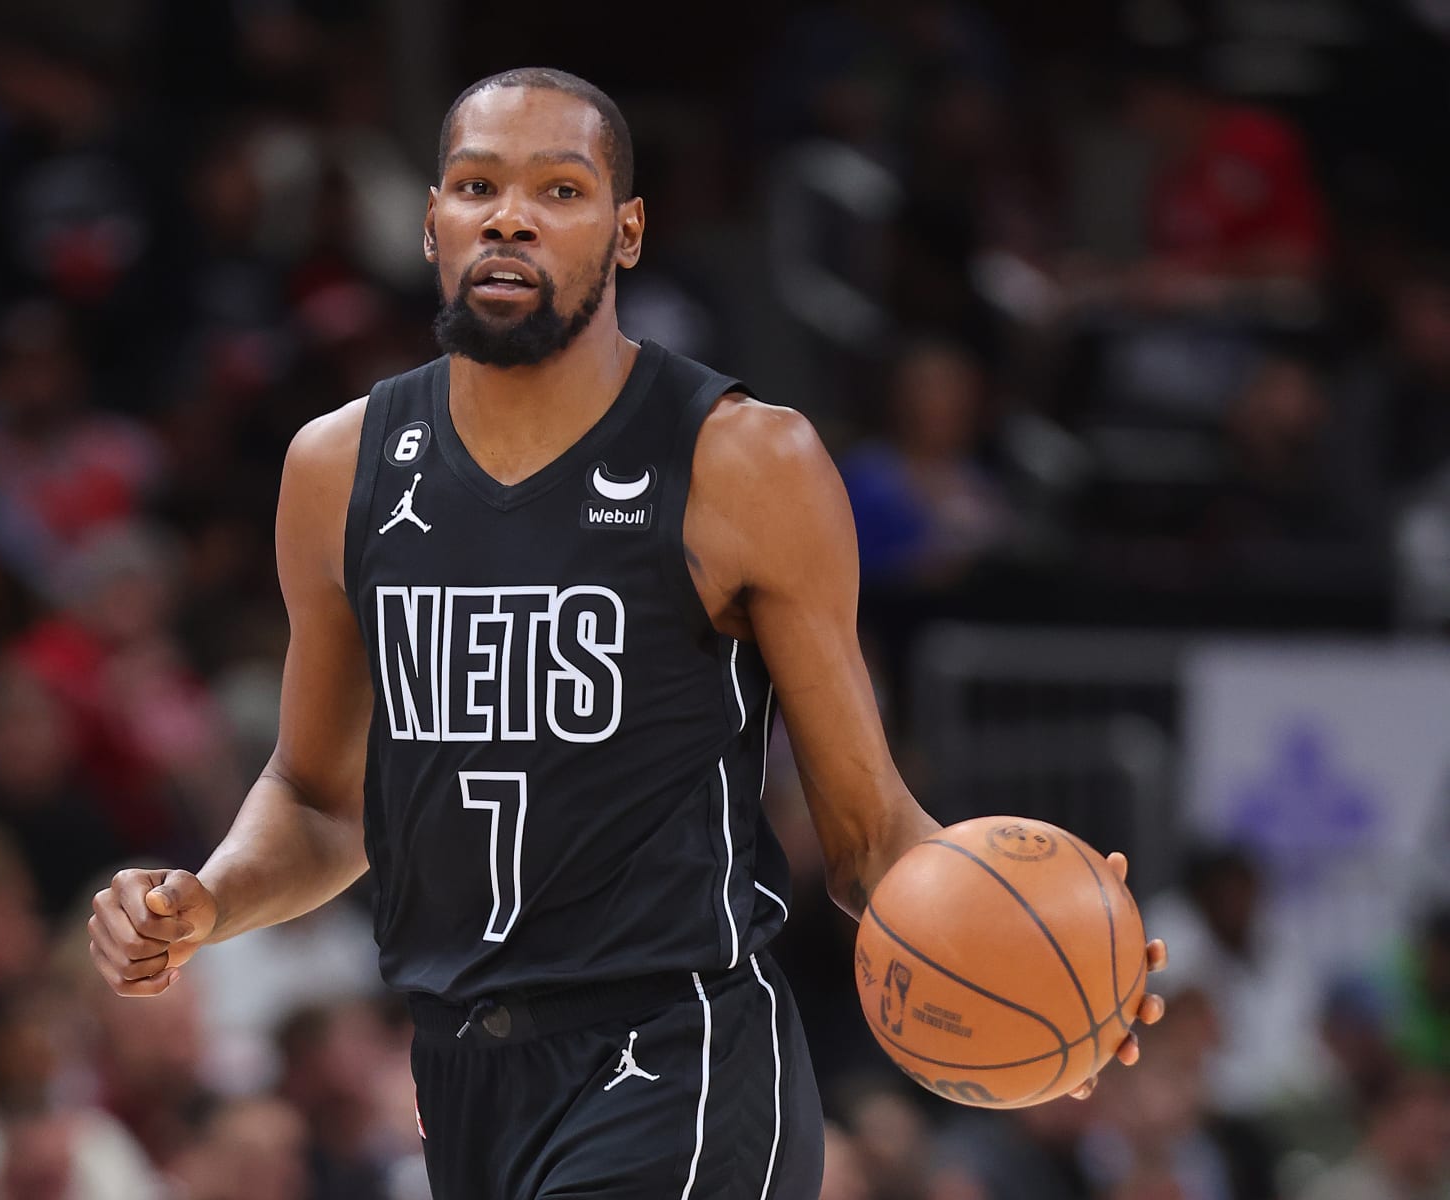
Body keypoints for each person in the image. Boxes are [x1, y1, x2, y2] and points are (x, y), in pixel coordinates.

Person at [89, 67, 1168, 1199]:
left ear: (628, 231)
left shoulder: (747, 462)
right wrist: (205, 902)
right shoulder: (336, 469)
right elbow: (319, 803)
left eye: (560, 189)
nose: (509, 214)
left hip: (678, 1054)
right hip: (462, 1071)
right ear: (431, 224)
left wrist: (1049, 956)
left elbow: (867, 835)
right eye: (476, 185)